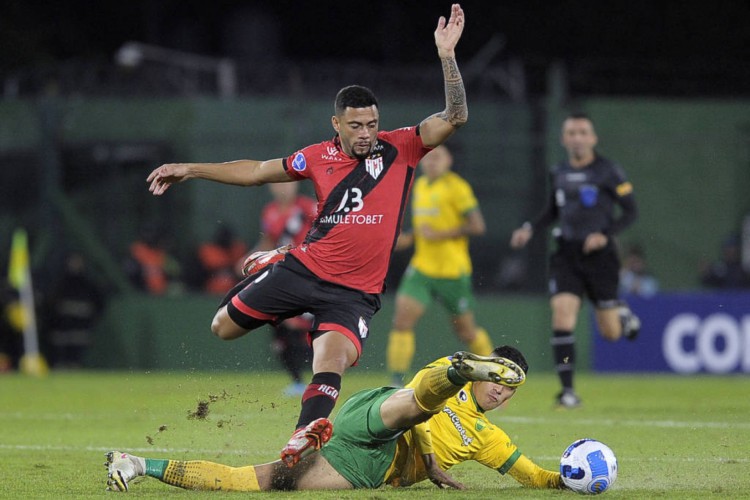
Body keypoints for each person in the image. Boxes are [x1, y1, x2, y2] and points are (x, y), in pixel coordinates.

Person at [145, 4, 469, 467]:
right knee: (222, 329)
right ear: (336, 124)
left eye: (372, 124)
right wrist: (191, 169)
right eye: (356, 125)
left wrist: (447, 56)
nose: (366, 133)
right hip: (303, 268)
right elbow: (257, 171)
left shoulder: (403, 147)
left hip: (355, 293)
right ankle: (275, 262)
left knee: (329, 360)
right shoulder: (315, 157)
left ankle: (301, 438)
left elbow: (454, 115)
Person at [105, 347, 566, 492]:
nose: (500, 391)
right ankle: (453, 370)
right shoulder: (452, 391)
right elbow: (416, 414)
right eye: (498, 380)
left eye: (509, 388)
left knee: (258, 482)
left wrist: (569, 480)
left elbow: (534, 476)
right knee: (415, 405)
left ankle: (138, 464)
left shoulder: (491, 439)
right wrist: (429, 458)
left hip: (366, 464)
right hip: (381, 417)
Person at [509, 112, 640, 409]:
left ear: (593, 138)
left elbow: (631, 212)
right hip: (567, 254)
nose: (578, 137)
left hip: (600, 257)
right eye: (572, 132)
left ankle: (619, 311)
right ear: (564, 139)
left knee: (610, 333)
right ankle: (567, 391)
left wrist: (606, 235)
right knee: (562, 317)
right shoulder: (558, 172)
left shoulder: (609, 171)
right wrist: (529, 228)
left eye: (583, 132)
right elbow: (552, 210)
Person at [386, 144, 491, 386]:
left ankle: (492, 374)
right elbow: (425, 228)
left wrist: (440, 234)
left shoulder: (457, 187)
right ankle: (395, 383)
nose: (432, 161)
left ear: (449, 161)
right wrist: (409, 238)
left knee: (466, 332)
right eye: (428, 157)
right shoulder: (421, 185)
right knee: (401, 320)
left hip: (452, 271)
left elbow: (477, 226)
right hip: (422, 268)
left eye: (438, 157)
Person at [250, 182, 317, 396]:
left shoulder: (308, 207)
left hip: (309, 275)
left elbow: (328, 232)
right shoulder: (269, 211)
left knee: (306, 327)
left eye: (287, 184)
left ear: (296, 186)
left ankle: (322, 378)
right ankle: (297, 381)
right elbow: (268, 241)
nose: (283, 189)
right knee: (279, 326)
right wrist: (251, 258)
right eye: (278, 184)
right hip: (282, 274)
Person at [43, 252, 106, 368]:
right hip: (62, 325)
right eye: (73, 262)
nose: (75, 265)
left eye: (78, 262)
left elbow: (98, 303)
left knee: (77, 347)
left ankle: (75, 366)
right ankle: (59, 366)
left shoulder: (88, 283)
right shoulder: (60, 283)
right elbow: (51, 303)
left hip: (81, 325)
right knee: (61, 345)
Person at [195, 225, 247, 295]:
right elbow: (201, 272)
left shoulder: (238, 249)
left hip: (234, 284)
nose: (225, 239)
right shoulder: (208, 250)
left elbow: (241, 270)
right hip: (209, 286)